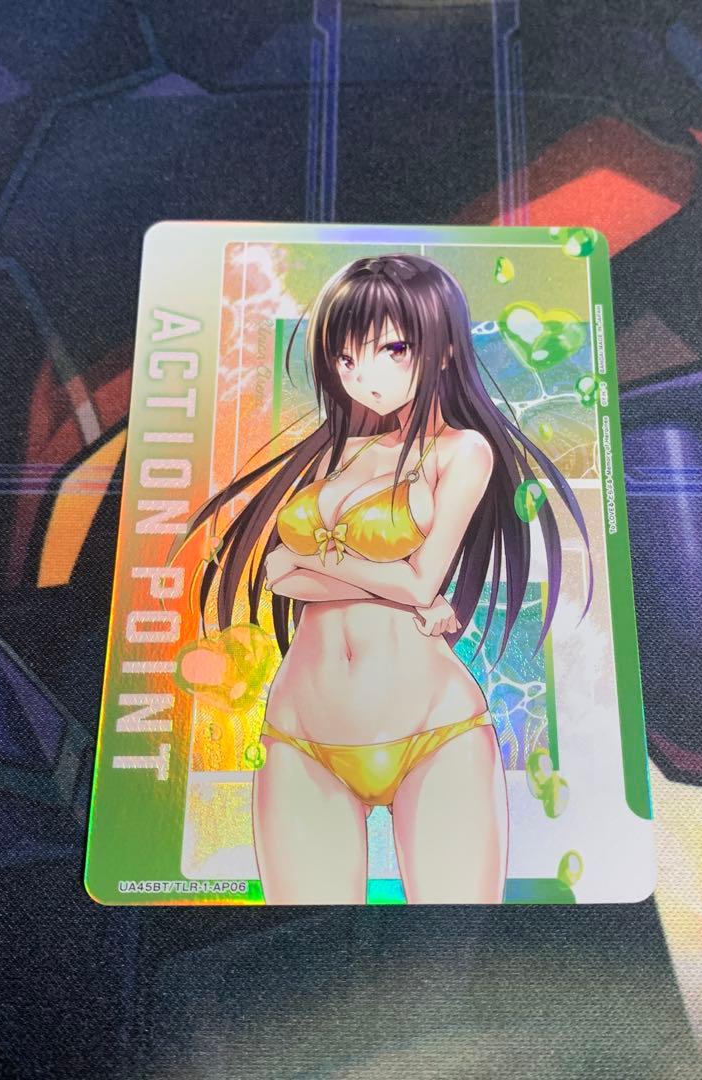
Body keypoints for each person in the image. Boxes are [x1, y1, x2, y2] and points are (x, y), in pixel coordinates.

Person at [188, 253, 591, 902]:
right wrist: (381, 579)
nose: (362, 376)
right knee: (307, 950)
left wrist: (318, 563)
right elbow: (280, 575)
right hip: (300, 735)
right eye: (346, 359)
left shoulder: (465, 451)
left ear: (444, 348)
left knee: (457, 947)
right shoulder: (340, 452)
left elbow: (419, 581)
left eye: (390, 350)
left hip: (435, 732)